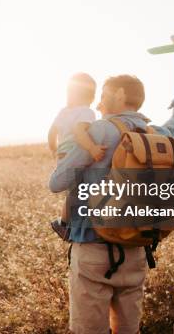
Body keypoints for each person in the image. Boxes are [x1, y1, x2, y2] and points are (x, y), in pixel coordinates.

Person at [48, 52, 174, 334]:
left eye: (103, 95)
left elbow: (57, 183)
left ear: (118, 94)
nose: (99, 101)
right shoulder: (156, 135)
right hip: (137, 249)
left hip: (93, 249)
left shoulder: (99, 130)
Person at [48, 73, 108, 240]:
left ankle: (67, 223)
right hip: (75, 153)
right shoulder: (86, 112)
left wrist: (54, 150)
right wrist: (92, 148)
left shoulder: (63, 112)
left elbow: (51, 132)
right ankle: (65, 225)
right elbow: (79, 131)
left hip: (62, 154)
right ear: (91, 96)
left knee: (73, 190)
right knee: (77, 190)